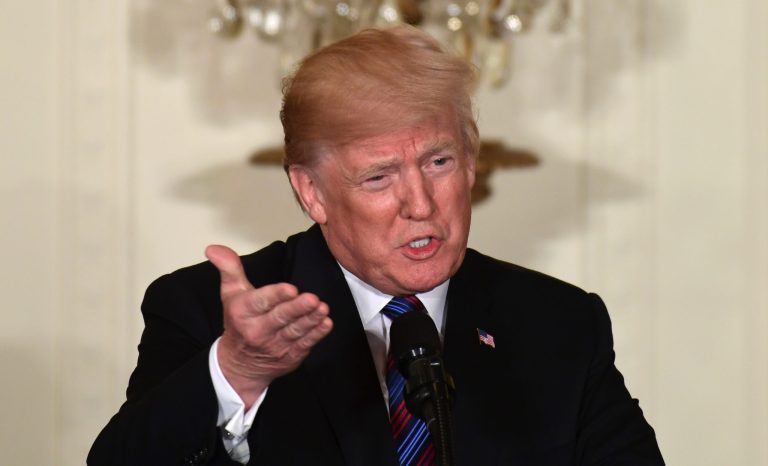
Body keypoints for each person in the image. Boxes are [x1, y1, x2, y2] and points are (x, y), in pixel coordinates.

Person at [89, 25, 664, 466]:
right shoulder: (201, 311)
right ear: (311, 192)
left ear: (470, 163)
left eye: (438, 162)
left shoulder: (558, 322)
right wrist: (239, 370)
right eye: (379, 177)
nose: (420, 203)